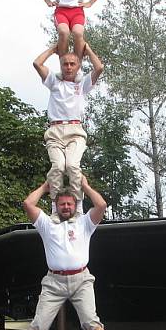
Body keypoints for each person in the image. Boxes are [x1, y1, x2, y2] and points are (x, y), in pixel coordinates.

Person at [21, 176, 111, 330]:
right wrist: (45, 187)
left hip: (81, 279)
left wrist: (85, 186)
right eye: (62, 204)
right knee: (39, 323)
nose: (66, 207)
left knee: (91, 321)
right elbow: (28, 203)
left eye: (70, 203)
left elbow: (101, 204)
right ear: (56, 206)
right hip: (54, 281)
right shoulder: (47, 224)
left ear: (75, 205)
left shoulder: (84, 223)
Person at [33, 43, 103, 208]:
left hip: (75, 130)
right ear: (61, 66)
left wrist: (88, 51)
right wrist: (53, 50)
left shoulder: (82, 84)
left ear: (78, 66)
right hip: (55, 130)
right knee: (57, 167)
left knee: (72, 165)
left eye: (72, 64)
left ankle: (77, 207)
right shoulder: (54, 82)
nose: (69, 67)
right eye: (65, 64)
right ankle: (56, 208)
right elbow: (37, 63)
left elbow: (99, 68)